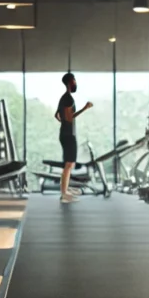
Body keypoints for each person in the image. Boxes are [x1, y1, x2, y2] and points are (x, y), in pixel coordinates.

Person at [55, 73, 93, 203]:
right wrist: (85, 108)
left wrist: (65, 122)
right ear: (70, 82)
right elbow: (68, 117)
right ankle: (64, 194)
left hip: (66, 133)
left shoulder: (63, 98)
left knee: (69, 164)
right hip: (68, 135)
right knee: (69, 164)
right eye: (74, 80)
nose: (75, 83)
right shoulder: (68, 99)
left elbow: (57, 116)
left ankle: (65, 190)